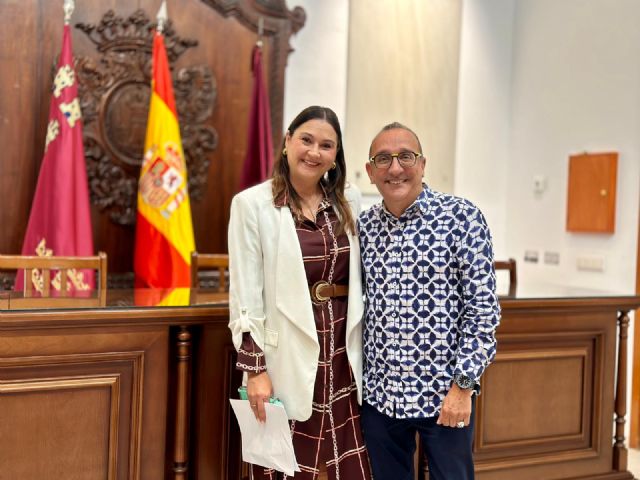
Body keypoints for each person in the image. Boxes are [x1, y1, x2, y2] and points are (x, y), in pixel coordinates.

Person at [228, 106, 372, 480]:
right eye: (306, 140)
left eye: (326, 145)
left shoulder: (349, 199)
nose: (314, 152)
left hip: (342, 354)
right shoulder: (252, 204)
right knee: (285, 468)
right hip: (285, 356)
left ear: (336, 155)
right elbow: (245, 297)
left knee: (349, 465)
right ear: (287, 141)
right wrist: (255, 371)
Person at [358, 122, 501, 480]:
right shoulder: (362, 227)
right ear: (370, 172)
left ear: (422, 164)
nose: (395, 168)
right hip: (380, 397)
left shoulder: (461, 217)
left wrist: (463, 387)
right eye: (383, 159)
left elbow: (483, 312)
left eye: (406, 156)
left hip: (444, 394)